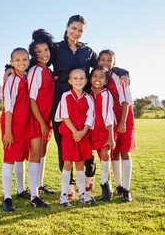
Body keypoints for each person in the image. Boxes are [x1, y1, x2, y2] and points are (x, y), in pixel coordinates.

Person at [50, 15, 130, 200]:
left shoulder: (87, 51)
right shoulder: (55, 48)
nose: (76, 33)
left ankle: (89, 178)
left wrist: (122, 71)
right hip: (62, 101)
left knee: (87, 143)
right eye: (74, 28)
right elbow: (39, 59)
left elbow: (103, 66)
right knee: (65, 146)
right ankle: (69, 186)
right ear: (67, 26)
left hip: (86, 105)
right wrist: (9, 67)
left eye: (80, 30)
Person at [1, 48, 48, 212]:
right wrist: (8, 131)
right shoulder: (12, 79)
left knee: (21, 156)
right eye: (17, 60)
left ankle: (22, 191)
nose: (21, 62)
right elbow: (8, 108)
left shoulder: (27, 76)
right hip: (12, 125)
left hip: (25, 123)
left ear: (29, 61)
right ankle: (7, 197)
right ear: (12, 62)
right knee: (10, 158)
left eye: (24, 59)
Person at [98, 49, 136, 202]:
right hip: (110, 121)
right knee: (115, 153)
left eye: (109, 60)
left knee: (125, 151)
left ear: (114, 63)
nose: (106, 62)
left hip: (124, 119)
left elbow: (126, 101)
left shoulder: (120, 77)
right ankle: (118, 186)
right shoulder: (99, 78)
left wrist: (122, 123)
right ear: (98, 61)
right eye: (103, 59)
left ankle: (126, 189)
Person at [54, 69, 95, 206]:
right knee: (67, 164)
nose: (78, 81)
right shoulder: (66, 96)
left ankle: (82, 193)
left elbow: (90, 117)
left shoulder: (88, 98)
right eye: (75, 78)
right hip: (69, 135)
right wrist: (74, 132)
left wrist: (83, 132)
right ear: (70, 81)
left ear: (86, 81)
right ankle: (64, 195)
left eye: (81, 78)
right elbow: (64, 116)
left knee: (80, 164)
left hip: (83, 135)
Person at [27, 29, 56, 195]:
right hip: (37, 119)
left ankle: (39, 185)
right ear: (34, 55)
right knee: (36, 154)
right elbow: (32, 100)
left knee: (43, 152)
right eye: (38, 51)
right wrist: (43, 123)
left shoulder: (48, 72)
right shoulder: (36, 71)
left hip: (47, 120)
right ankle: (34, 193)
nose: (43, 53)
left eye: (45, 49)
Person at [90, 66, 116, 202]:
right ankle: (86, 187)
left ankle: (106, 187)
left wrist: (111, 137)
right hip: (91, 130)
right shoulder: (88, 92)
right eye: (95, 75)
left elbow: (108, 116)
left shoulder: (105, 94)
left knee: (105, 156)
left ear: (106, 81)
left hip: (105, 130)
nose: (98, 79)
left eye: (101, 76)